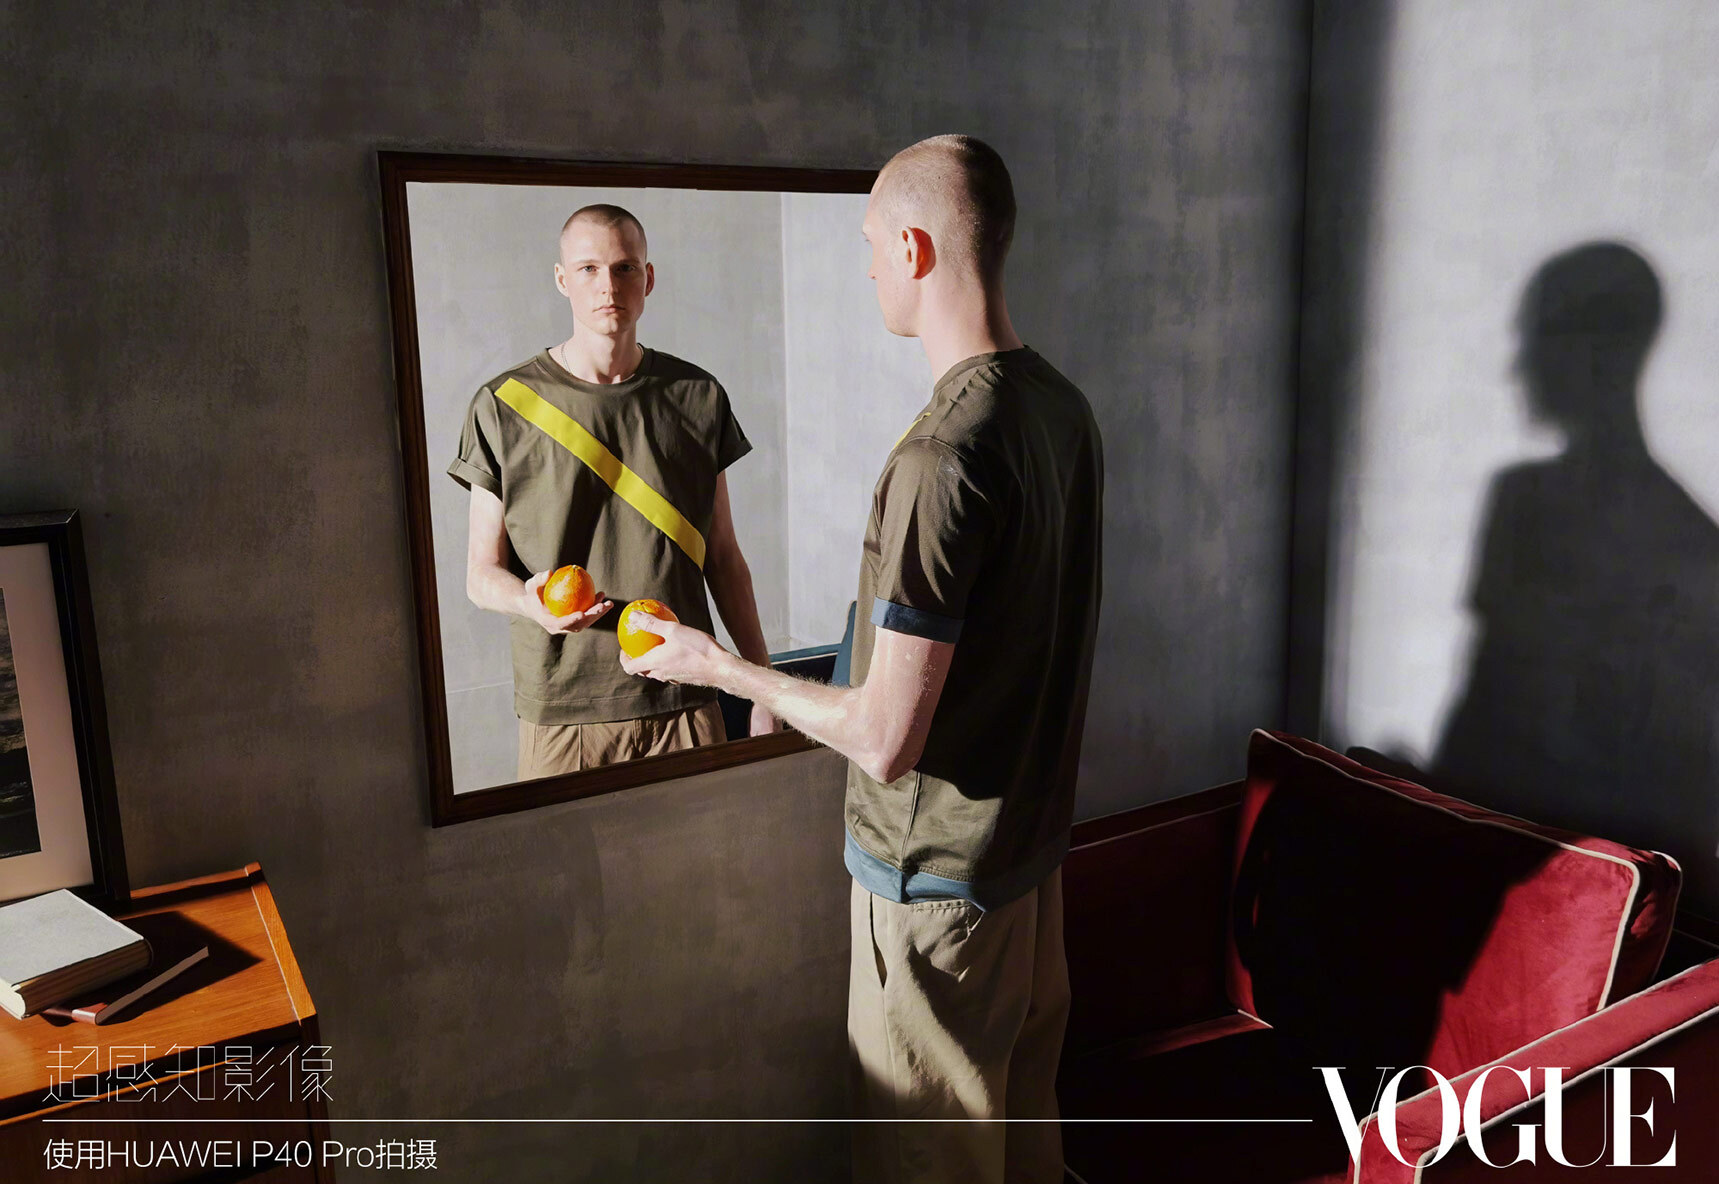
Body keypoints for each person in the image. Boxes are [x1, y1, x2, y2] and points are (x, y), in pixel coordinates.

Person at [619, 136, 1104, 1183]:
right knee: (1024, 1149)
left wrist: (722, 667)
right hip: (1028, 866)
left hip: (935, 889)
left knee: (928, 1161)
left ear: (917, 249)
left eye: (874, 245)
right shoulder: (1060, 409)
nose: (871, 267)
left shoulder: (941, 457)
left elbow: (885, 739)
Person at [449, 203, 777, 779]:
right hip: (565, 710)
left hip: (687, 694)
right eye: (588, 269)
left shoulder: (698, 395)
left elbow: (724, 557)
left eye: (624, 268)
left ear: (648, 278)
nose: (608, 286)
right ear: (562, 279)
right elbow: (481, 574)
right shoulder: (502, 405)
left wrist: (763, 689)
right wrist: (528, 603)